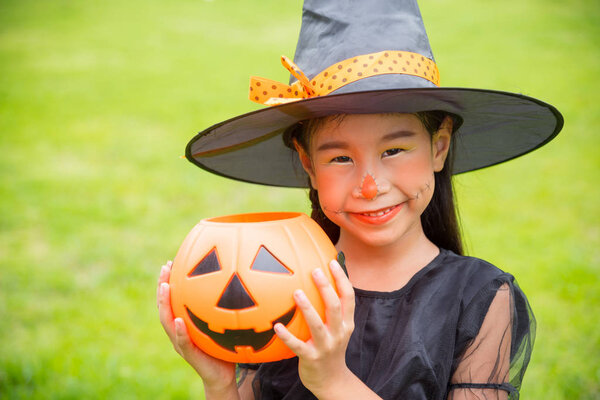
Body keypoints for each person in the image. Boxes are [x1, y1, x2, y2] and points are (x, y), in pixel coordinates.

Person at [158, 0, 563, 399]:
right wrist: (220, 384)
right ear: (308, 165)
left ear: (439, 147)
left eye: (393, 151)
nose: (370, 186)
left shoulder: (480, 299)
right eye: (340, 158)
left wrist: (333, 381)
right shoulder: (274, 285)